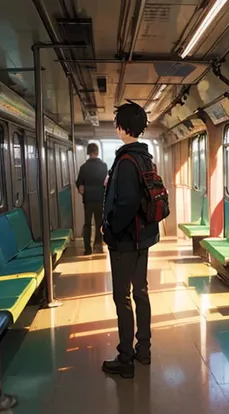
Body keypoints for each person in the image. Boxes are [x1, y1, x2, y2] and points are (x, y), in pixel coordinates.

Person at [101, 101, 159, 378]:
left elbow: (126, 204)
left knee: (122, 297)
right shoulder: (144, 157)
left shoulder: (125, 160)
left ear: (122, 128)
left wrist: (109, 230)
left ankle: (125, 359)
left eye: (117, 124)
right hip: (144, 238)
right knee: (141, 292)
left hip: (125, 241)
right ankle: (143, 350)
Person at [76, 143, 108, 255]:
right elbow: (106, 183)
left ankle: (87, 248)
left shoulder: (84, 167)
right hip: (100, 199)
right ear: (97, 152)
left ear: (88, 152)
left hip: (88, 200)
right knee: (99, 222)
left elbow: (80, 186)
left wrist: (85, 190)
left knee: (87, 223)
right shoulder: (103, 166)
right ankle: (98, 246)